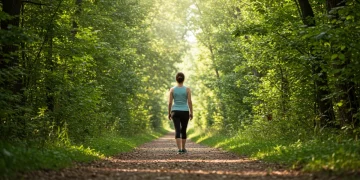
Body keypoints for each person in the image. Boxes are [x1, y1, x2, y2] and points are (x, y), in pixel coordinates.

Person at [168, 72, 193, 154]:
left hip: (175, 111)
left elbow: (170, 103)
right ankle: (183, 148)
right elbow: (189, 102)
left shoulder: (172, 89)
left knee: (177, 130)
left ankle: (179, 150)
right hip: (185, 111)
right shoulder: (187, 89)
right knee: (184, 130)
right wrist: (191, 112)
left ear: (176, 79)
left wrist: (169, 113)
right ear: (183, 79)